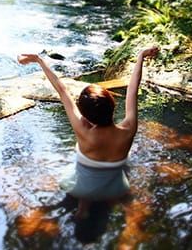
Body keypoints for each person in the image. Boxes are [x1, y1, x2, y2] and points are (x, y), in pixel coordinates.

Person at [17, 46, 159, 218]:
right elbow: (132, 90)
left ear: (85, 115)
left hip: (80, 188)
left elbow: (62, 91)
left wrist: (39, 60)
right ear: (112, 105)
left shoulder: (82, 131)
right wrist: (140, 56)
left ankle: (82, 208)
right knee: (116, 170)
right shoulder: (128, 129)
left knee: (83, 176)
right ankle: (109, 203)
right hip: (115, 188)